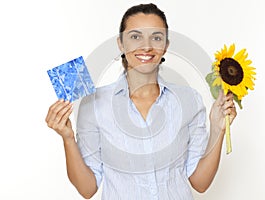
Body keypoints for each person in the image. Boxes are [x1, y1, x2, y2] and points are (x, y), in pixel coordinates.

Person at [45, 3, 237, 200]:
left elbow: (200, 183)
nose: (146, 46)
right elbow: (87, 189)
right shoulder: (93, 104)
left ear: (166, 46)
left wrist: (217, 129)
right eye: (135, 37)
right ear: (121, 43)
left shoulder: (190, 100)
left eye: (156, 37)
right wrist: (67, 138)